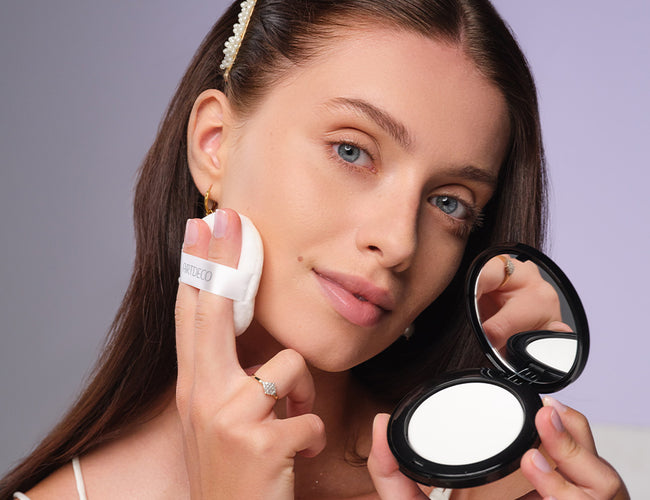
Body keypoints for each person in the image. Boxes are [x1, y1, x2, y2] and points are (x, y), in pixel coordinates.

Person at [1, 0, 629, 498]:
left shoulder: (500, 484)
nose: (399, 241)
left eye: (450, 202)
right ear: (215, 144)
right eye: (351, 150)